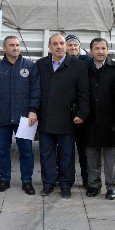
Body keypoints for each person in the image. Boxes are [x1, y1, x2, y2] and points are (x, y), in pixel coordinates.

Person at [0, 36, 40, 195]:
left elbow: (36, 90)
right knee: (2, 150)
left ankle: (27, 182)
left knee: (27, 151)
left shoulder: (29, 66)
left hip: (25, 119)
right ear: (4, 48)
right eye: (11, 45)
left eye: (17, 45)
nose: (15, 48)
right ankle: (4, 180)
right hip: (2, 118)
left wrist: (33, 110)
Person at [35, 34, 89, 198]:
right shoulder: (40, 64)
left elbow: (84, 93)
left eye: (62, 43)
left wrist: (82, 114)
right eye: (55, 44)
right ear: (49, 47)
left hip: (68, 118)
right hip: (45, 117)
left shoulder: (78, 66)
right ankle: (48, 184)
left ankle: (66, 185)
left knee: (67, 154)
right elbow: (35, 91)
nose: (59, 46)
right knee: (46, 153)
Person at [84, 38, 115, 200]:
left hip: (111, 119)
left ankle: (112, 187)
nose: (100, 51)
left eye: (103, 48)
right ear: (91, 51)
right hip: (90, 119)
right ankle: (94, 185)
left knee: (112, 157)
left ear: (108, 50)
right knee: (92, 155)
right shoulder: (85, 68)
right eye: (97, 48)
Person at [65, 34, 91, 188]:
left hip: (82, 111)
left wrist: (83, 112)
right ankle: (63, 178)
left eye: (75, 45)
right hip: (65, 112)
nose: (73, 48)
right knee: (64, 149)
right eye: (70, 45)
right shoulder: (60, 62)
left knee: (84, 149)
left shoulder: (88, 62)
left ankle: (87, 178)